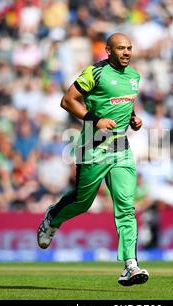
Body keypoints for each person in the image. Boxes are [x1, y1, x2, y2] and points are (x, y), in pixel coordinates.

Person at [37, 33, 149, 286]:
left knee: (126, 207)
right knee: (82, 202)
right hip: (93, 146)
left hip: (121, 147)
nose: (127, 52)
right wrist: (94, 120)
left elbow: (122, 103)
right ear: (108, 50)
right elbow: (67, 101)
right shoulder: (94, 73)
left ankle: (130, 265)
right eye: (121, 48)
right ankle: (53, 216)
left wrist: (133, 117)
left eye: (129, 48)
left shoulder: (134, 77)